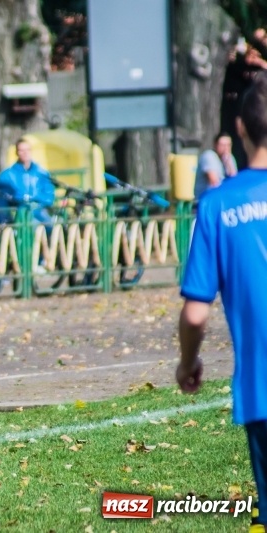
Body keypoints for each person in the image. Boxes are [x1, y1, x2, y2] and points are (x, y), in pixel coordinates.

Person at [176, 74, 267, 533]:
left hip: (261, 388)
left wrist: (187, 363)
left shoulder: (217, 205)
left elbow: (196, 312)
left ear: (241, 128)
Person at [0, 138, 55, 225]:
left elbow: (49, 196)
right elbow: (2, 196)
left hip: (39, 209)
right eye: (21, 150)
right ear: (17, 153)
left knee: (50, 224)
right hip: (17, 212)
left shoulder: (42, 173)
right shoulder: (7, 175)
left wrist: (34, 199)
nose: (25, 153)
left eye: (28, 150)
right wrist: (20, 199)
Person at [194, 132, 238, 198]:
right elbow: (214, 183)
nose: (225, 148)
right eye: (222, 145)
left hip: (221, 196)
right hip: (205, 198)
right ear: (215, 145)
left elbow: (235, 181)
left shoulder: (230, 158)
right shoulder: (209, 156)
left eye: (228, 145)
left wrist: (229, 164)